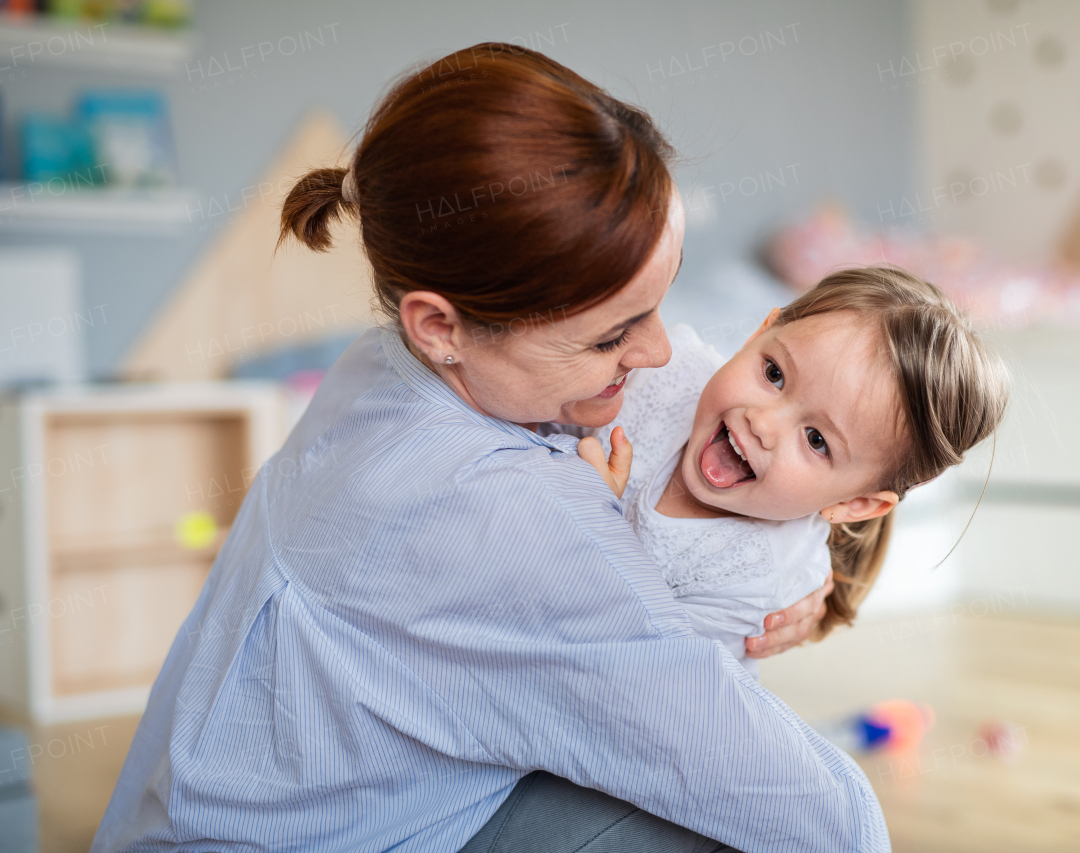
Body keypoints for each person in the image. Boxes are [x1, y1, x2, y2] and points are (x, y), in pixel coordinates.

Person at [91, 44, 884, 853]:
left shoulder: (378, 366)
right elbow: (827, 819)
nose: (656, 355)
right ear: (441, 327)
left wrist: (766, 560)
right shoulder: (520, 525)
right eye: (611, 337)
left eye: (657, 305)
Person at [578, 267, 1010, 679]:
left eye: (816, 440)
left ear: (854, 504)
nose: (762, 423)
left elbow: (617, 658)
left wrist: (588, 518)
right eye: (774, 374)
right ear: (760, 332)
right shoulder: (662, 372)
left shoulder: (761, 576)